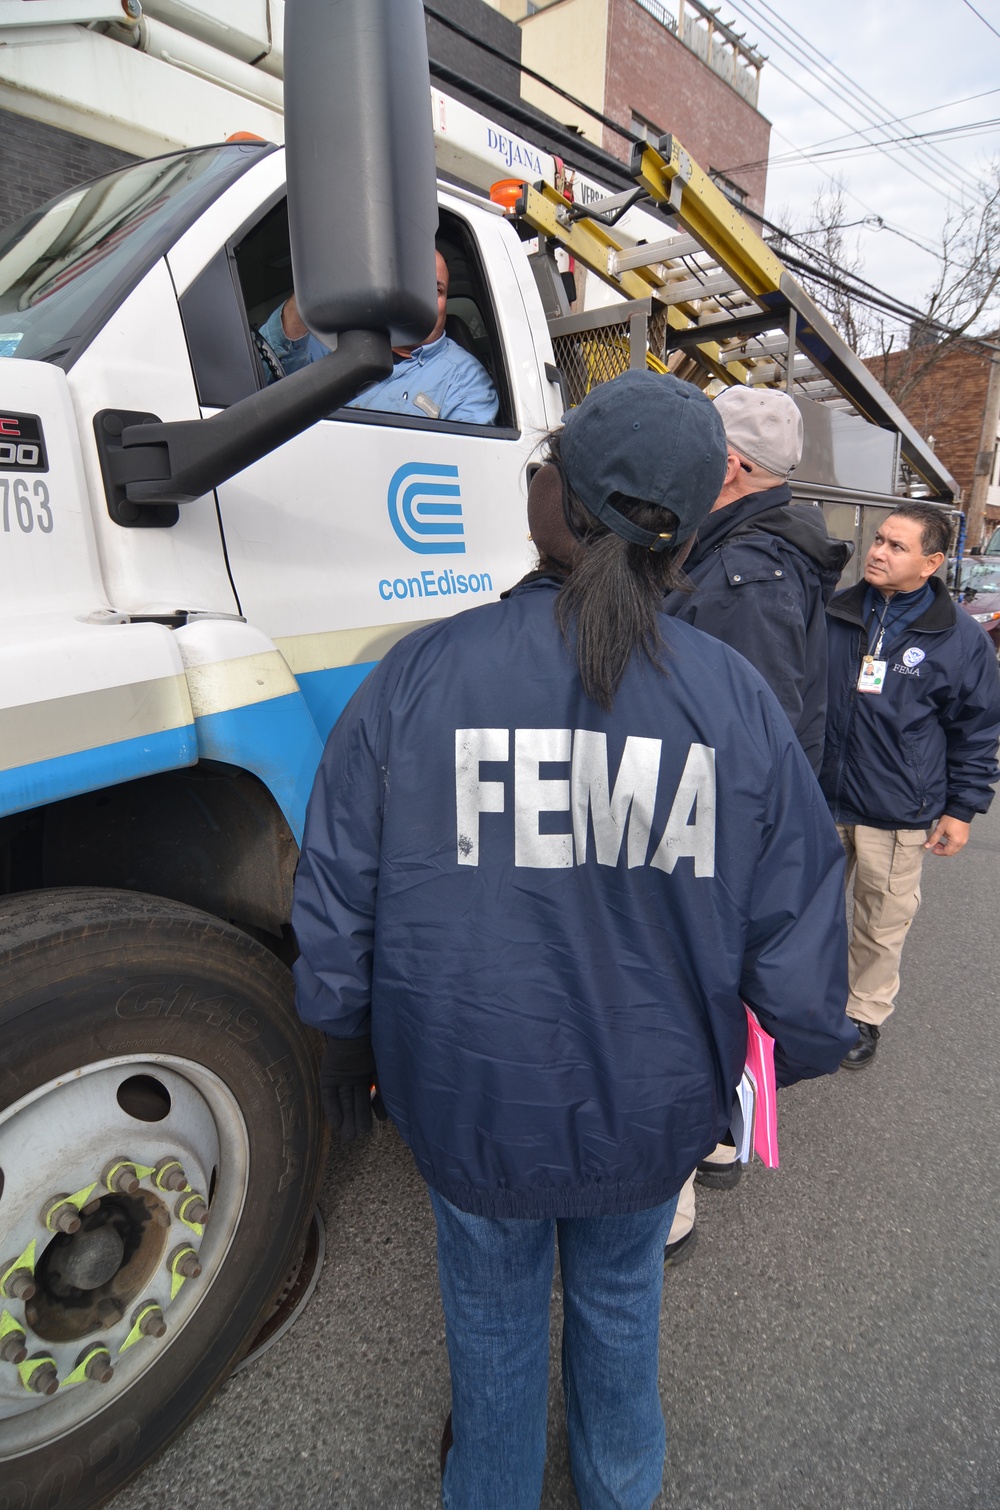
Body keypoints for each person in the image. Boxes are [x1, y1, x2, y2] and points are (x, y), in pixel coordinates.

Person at [292, 371, 854, 1510]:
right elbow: (798, 902)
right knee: (619, 1301)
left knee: (489, 1313)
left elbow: (338, 888)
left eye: (545, 460)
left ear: (565, 502)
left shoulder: (422, 671)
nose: (535, 474)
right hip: (653, 1100)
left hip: (465, 1091)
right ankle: (617, 1486)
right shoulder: (728, 698)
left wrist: (343, 1039)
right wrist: (794, 1045)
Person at [661, 384, 852, 1256]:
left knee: (702, 989)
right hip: (733, 831)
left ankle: (693, 1164)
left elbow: (741, 741)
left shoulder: (746, 575)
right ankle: (727, 1131)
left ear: (731, 467)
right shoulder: (756, 548)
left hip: (718, 836)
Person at [821, 502, 1000, 1069]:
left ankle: (863, 1014)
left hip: (896, 807)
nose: (877, 552)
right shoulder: (834, 611)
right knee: (808, 912)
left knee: (880, 923)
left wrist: (961, 810)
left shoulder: (960, 638)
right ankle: (806, 1004)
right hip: (821, 799)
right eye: (878, 540)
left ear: (932, 562)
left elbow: (977, 727)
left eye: (896, 546)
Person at [258, 249, 499, 424]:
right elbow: (272, 370)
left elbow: (465, 471)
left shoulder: (465, 380)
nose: (425, 299)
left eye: (437, 290)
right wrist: (318, 287)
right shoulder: (337, 341)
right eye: (415, 286)